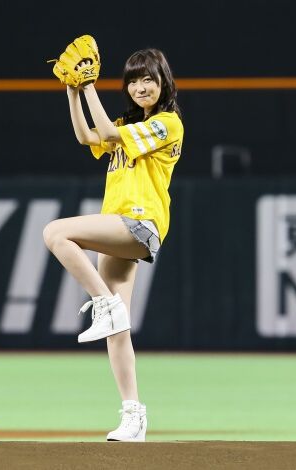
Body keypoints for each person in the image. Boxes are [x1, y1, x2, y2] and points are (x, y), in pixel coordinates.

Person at [43, 48, 184, 442]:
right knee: (118, 329)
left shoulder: (168, 124)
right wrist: (72, 91)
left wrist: (88, 86)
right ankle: (133, 415)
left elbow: (105, 133)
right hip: (118, 227)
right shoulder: (127, 124)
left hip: (139, 223)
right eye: (133, 81)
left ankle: (103, 303)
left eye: (148, 79)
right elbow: (87, 135)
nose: (141, 87)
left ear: (164, 82)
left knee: (55, 233)